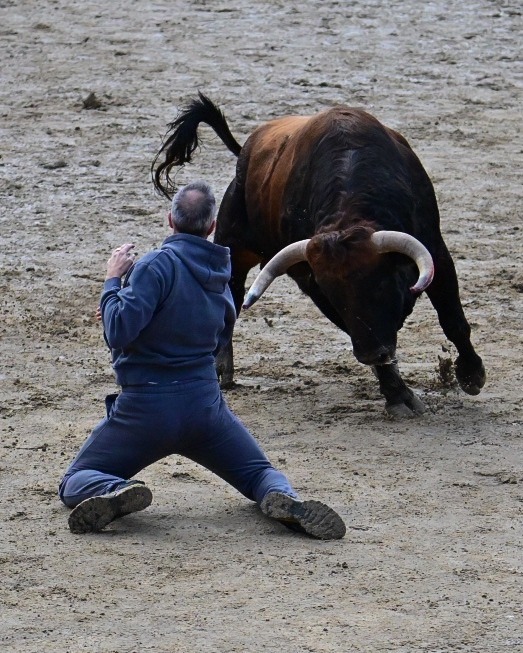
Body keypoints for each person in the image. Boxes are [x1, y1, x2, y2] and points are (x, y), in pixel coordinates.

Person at [58, 181, 346, 540]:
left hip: (144, 411)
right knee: (259, 473)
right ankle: (281, 496)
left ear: (170, 220)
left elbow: (118, 332)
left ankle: (117, 489)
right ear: (211, 226)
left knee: (75, 480)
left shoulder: (154, 265)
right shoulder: (221, 277)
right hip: (204, 409)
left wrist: (112, 282)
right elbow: (218, 338)